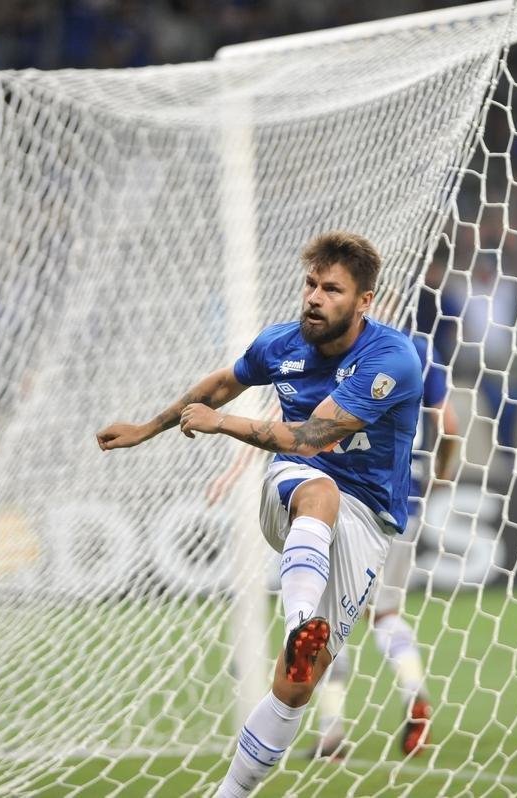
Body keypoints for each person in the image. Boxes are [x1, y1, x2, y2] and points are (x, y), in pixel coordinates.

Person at [96, 231, 423, 798]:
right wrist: (149, 428)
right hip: (295, 490)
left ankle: (230, 791)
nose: (314, 298)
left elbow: (313, 433)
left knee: (296, 688)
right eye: (311, 284)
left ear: (364, 301)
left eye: (332, 289)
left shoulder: (391, 358)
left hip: (369, 520)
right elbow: (225, 383)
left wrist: (222, 423)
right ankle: (300, 624)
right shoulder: (281, 344)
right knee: (321, 490)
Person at [310, 328, 460, 759]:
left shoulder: (335, 347)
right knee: (386, 614)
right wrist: (441, 473)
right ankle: (414, 692)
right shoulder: (418, 349)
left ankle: (331, 733)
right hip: (403, 503)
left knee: (325, 619)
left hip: (346, 503)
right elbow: (449, 425)